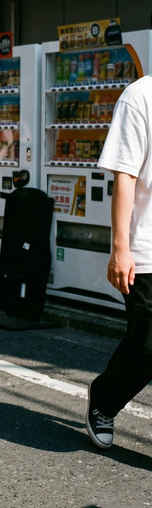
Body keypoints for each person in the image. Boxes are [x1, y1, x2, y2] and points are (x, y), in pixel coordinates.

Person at [86, 75, 152, 449]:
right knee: (146, 347)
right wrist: (120, 247)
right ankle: (105, 398)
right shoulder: (139, 96)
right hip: (146, 247)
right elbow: (124, 175)